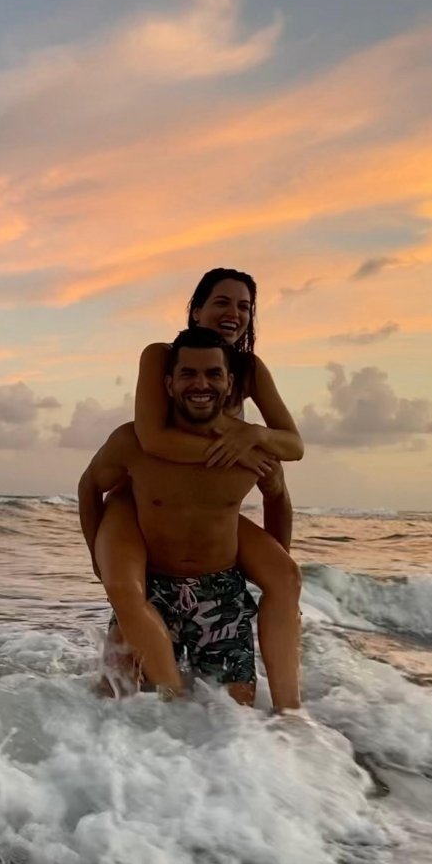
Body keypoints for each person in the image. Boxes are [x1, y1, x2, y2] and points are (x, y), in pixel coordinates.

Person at [91, 269, 304, 711]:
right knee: (120, 693)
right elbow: (154, 439)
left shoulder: (249, 369)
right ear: (196, 310)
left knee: (285, 576)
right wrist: (233, 446)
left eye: (244, 306)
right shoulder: (161, 356)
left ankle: (290, 712)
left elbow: (293, 446)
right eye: (221, 303)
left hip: (210, 508)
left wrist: (255, 436)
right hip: (148, 498)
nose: (234, 314)